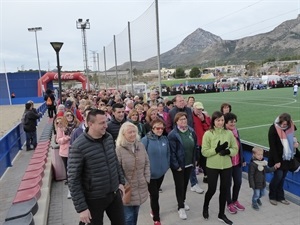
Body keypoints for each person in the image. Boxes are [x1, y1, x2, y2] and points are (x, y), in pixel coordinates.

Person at [68, 109, 126, 225]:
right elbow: (73, 179)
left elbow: (114, 161)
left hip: (114, 194)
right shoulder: (78, 146)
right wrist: (82, 208)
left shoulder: (108, 138)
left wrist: (121, 182)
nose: (106, 125)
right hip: (93, 199)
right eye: (102, 123)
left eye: (106, 122)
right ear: (90, 124)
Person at [201, 111, 238, 225]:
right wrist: (216, 150)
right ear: (213, 121)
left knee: (224, 190)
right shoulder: (208, 134)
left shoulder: (229, 133)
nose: (220, 122)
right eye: (218, 120)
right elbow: (204, 152)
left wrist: (228, 151)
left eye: (222, 120)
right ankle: (205, 206)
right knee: (211, 189)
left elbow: (235, 149)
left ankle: (221, 214)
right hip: (212, 166)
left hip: (226, 166)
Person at [115, 122, 150, 225]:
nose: (133, 134)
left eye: (134, 131)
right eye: (129, 132)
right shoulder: (119, 149)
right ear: (123, 134)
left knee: (135, 215)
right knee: (128, 218)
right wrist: (124, 184)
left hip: (140, 186)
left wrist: (146, 179)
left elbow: (147, 163)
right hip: (127, 189)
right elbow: (117, 169)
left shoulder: (140, 145)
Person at [168, 112, 198, 220]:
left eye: (185, 119)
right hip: (179, 166)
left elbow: (195, 146)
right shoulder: (173, 134)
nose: (183, 121)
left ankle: (183, 201)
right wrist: (176, 166)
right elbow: (172, 152)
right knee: (179, 185)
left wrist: (195, 159)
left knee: (185, 184)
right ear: (176, 121)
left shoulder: (191, 131)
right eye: (181, 120)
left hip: (189, 163)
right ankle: (180, 207)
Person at [141, 118, 170, 225]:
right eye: (157, 128)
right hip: (150, 175)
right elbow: (141, 157)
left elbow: (168, 154)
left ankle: (153, 207)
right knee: (155, 196)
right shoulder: (145, 140)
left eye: (162, 128)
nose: (160, 130)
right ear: (152, 129)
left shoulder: (164, 139)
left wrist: (166, 166)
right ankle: (156, 219)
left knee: (155, 193)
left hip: (161, 173)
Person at [268, 113, 299, 206]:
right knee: (278, 177)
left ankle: (280, 197)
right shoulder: (273, 128)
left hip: (287, 157)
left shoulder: (291, 127)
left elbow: (293, 138)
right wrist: (277, 161)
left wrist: (297, 143)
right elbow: (272, 146)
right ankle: (272, 196)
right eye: (282, 123)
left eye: (285, 124)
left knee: (282, 178)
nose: (283, 126)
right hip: (277, 158)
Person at [224, 113, 246, 214]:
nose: (233, 123)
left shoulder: (236, 131)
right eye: (231, 122)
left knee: (238, 182)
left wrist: (243, 159)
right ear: (225, 123)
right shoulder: (224, 133)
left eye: (234, 121)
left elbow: (239, 146)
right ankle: (229, 203)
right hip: (227, 164)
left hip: (237, 162)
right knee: (227, 184)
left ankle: (235, 200)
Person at [192, 102, 211, 185]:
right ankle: (193, 180)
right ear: (194, 108)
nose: (199, 111)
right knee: (195, 160)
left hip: (203, 142)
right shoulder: (190, 117)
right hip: (194, 142)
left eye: (200, 109)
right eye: (198, 109)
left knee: (204, 160)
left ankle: (206, 176)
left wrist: (203, 120)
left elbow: (208, 128)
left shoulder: (204, 116)